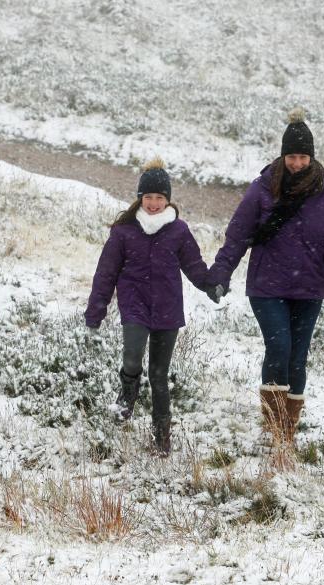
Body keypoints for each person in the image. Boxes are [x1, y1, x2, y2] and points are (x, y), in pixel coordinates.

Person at [208, 108, 324, 443]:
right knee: (280, 346)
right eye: (292, 156)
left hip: (309, 287)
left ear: (312, 157)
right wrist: (220, 274)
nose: (297, 163)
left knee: (298, 356)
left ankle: (286, 431)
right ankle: (272, 423)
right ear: (283, 154)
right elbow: (238, 236)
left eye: (303, 157)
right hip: (267, 285)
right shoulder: (263, 188)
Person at [85, 158, 218, 456]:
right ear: (139, 199)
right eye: (148, 197)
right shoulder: (123, 232)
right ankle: (127, 398)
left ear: (167, 200)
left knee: (159, 374)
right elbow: (105, 274)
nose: (154, 203)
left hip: (168, 308)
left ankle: (161, 437)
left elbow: (194, 266)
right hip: (134, 304)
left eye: (159, 198)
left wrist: (211, 285)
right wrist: (96, 312)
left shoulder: (179, 231)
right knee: (132, 357)